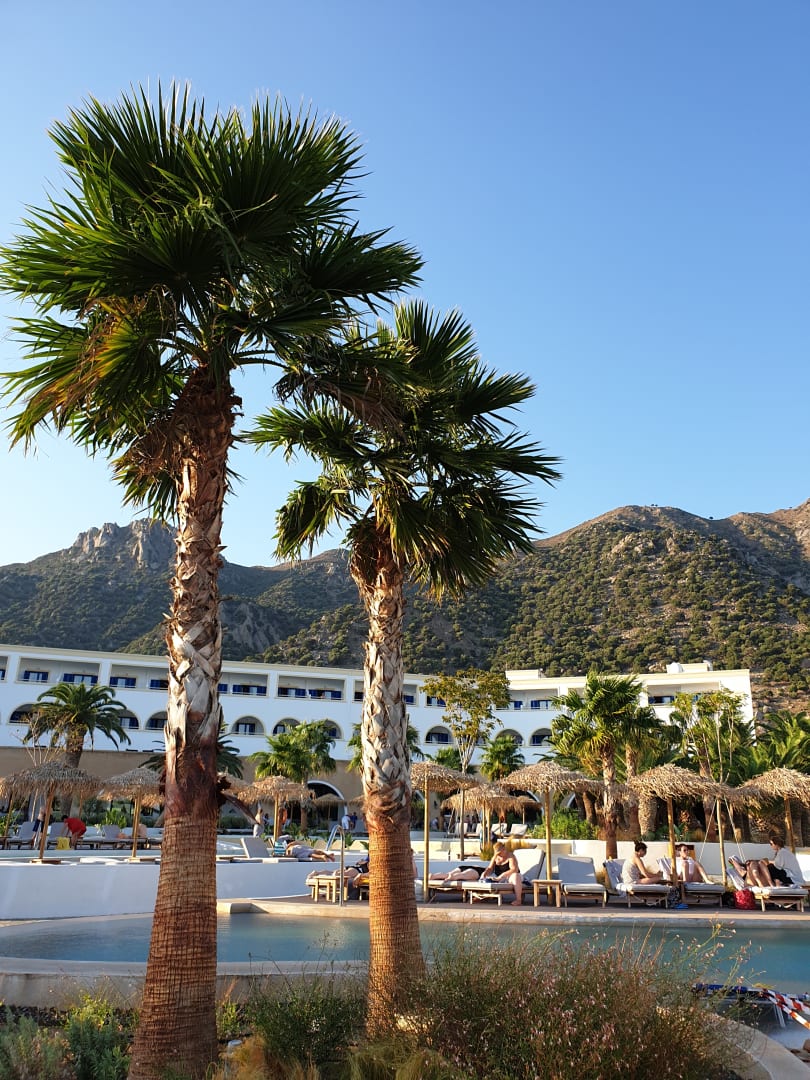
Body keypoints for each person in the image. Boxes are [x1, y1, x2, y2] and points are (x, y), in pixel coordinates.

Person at [479, 841, 523, 905]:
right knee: (484, 876)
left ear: (504, 849)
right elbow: (490, 868)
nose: (498, 855)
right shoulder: (495, 857)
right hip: (499, 877)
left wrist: (501, 876)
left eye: (500, 853)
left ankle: (518, 900)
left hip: (510, 876)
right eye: (497, 854)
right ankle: (481, 896)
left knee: (516, 876)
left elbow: (514, 869)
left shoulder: (510, 856)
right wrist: (485, 873)